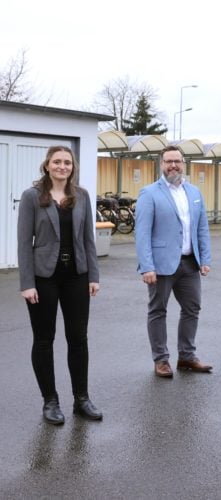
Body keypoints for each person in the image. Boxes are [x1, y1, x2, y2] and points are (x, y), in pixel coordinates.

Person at [17, 145, 102, 425]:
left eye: (67, 162)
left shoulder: (82, 196)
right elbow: (23, 243)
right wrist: (27, 283)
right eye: (57, 162)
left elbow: (89, 239)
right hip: (44, 278)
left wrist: (93, 276)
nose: (62, 166)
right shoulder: (32, 197)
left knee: (79, 339)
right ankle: (50, 401)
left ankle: (81, 398)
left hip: (76, 275)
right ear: (47, 165)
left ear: (72, 167)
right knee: (44, 340)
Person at [135, 145, 212, 378]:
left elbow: (202, 228)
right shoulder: (149, 193)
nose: (173, 165)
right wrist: (146, 266)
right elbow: (142, 233)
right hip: (161, 265)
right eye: (168, 161)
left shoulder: (194, 193)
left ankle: (187, 356)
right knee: (158, 310)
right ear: (161, 164)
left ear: (184, 163)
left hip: (190, 263)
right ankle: (161, 360)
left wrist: (205, 258)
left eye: (177, 161)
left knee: (192, 308)